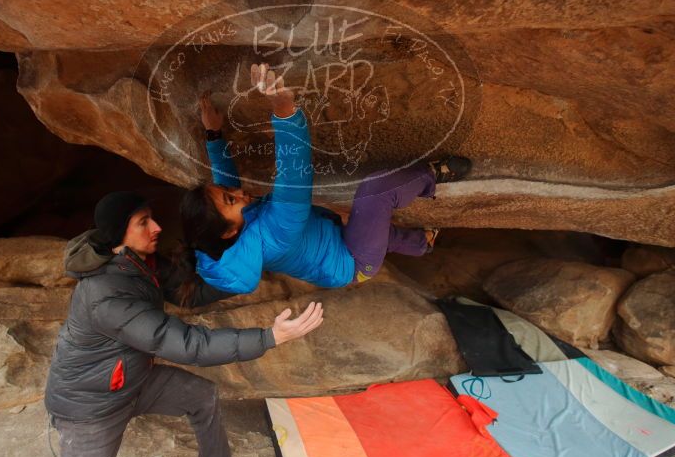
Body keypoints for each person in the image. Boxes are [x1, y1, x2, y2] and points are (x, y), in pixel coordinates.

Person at [45, 191, 324, 457]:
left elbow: (188, 292)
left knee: (202, 396)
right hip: (90, 407)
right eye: (144, 222)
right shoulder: (105, 296)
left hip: (134, 381)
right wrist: (269, 337)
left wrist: (247, 269)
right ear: (120, 233)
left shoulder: (138, 264)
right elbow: (187, 344)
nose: (157, 227)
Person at [180, 63, 471, 294]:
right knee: (375, 194)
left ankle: (423, 243)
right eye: (232, 200)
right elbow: (293, 176)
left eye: (229, 191)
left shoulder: (228, 236)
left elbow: (223, 181)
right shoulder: (274, 235)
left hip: (331, 236)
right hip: (352, 262)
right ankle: (433, 175)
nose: (241, 193)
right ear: (229, 231)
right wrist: (284, 112)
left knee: (373, 229)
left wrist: (213, 134)